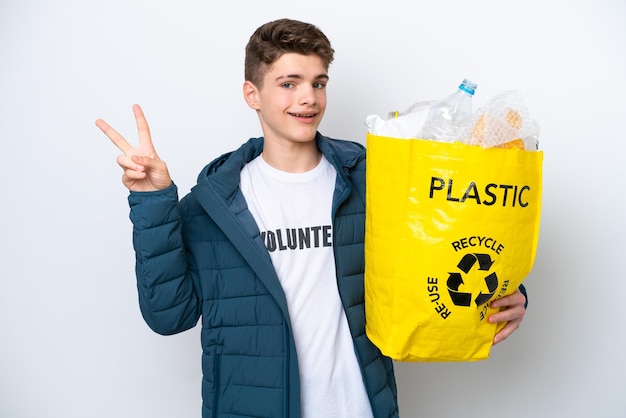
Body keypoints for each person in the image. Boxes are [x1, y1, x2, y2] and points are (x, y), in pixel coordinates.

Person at [96, 18, 527, 418]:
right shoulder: (211, 206)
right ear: (252, 94)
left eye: (318, 83)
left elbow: (440, 247)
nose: (308, 97)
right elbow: (169, 316)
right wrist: (154, 202)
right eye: (289, 83)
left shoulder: (371, 178)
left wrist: (506, 290)